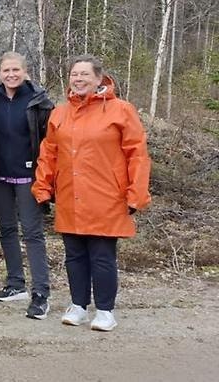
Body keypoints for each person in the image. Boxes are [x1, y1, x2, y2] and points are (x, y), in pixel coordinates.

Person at [32, 55, 151, 332]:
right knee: (74, 255)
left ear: (99, 78)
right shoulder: (60, 113)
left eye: (85, 74)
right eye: (74, 74)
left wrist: (136, 194)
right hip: (69, 195)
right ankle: (78, 306)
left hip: (106, 196)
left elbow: (137, 154)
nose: (79, 79)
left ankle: (106, 311)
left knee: (101, 255)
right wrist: (42, 187)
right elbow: (49, 153)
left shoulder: (121, 110)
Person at [0, 52, 54, 319]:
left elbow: (50, 142)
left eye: (16, 70)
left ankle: (41, 293)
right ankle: (16, 284)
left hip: (30, 178)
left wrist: (47, 178)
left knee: (33, 233)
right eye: (6, 70)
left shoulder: (39, 102)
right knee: (6, 230)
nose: (11, 74)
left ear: (25, 72)